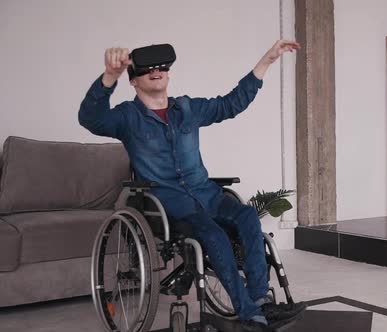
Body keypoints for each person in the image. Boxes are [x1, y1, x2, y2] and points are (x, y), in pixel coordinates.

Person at [78, 40, 304, 331]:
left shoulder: (188, 109)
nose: (156, 72)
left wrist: (267, 60)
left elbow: (232, 103)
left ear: (169, 74)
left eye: (162, 67)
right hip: (168, 203)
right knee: (213, 233)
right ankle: (248, 314)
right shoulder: (127, 117)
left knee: (247, 216)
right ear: (133, 81)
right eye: (147, 70)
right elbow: (90, 118)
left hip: (206, 193)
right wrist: (109, 77)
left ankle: (261, 302)